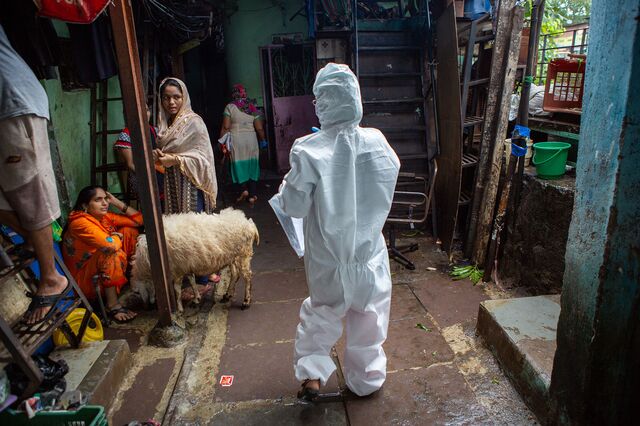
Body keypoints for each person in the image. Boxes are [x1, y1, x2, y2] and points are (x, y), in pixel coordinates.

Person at [270, 63, 400, 400]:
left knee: (321, 315)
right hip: (370, 257)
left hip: (330, 261)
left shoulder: (308, 149)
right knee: (369, 320)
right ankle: (367, 381)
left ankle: (312, 376)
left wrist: (289, 185)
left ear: (323, 102)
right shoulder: (379, 143)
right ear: (355, 99)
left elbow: (294, 206)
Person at [0, 23, 70, 325]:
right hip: (9, 107)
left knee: (29, 194)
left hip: (13, 105)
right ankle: (32, 238)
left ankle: (52, 278)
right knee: (14, 197)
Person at [153, 77, 220, 294]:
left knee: (194, 230)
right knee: (178, 231)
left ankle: (203, 278)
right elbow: (169, 150)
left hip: (191, 183)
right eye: (166, 98)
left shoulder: (194, 122)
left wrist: (176, 159)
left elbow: (203, 158)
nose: (171, 102)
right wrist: (160, 154)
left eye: (176, 97)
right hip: (173, 183)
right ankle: (188, 273)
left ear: (184, 97)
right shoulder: (164, 125)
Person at [62, 186, 141, 323]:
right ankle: (113, 305)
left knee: (130, 231)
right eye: (98, 200)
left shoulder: (104, 218)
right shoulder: (80, 223)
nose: (105, 203)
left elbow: (140, 220)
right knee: (109, 253)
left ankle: (131, 279)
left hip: (100, 272)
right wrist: (116, 237)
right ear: (85, 205)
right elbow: (110, 246)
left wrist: (116, 202)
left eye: (106, 199)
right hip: (85, 281)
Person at [219, 84, 267, 207]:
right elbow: (259, 128)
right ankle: (252, 195)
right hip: (251, 139)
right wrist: (263, 140)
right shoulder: (252, 107)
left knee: (238, 164)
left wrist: (221, 142)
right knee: (252, 164)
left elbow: (226, 127)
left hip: (237, 139)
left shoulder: (230, 107)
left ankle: (243, 190)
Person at [113, 104, 164, 205]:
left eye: (146, 110)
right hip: (141, 177)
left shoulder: (156, 131)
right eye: (139, 110)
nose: (144, 113)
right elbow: (131, 164)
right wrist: (149, 177)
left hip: (160, 174)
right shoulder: (126, 133)